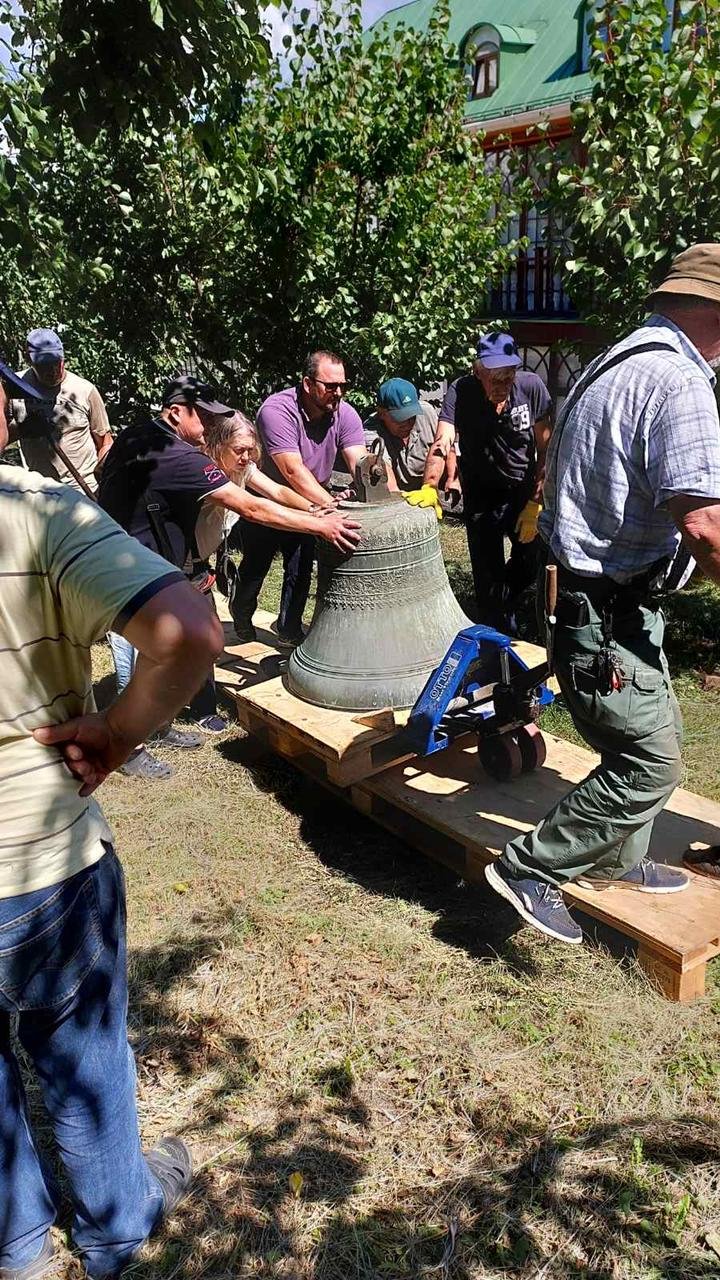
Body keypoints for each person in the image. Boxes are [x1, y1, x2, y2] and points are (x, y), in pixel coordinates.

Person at [0, 374, 225, 1280]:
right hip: (38, 856)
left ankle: (15, 1242)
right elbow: (186, 631)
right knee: (82, 1055)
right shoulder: (35, 509)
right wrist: (119, 733)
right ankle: (115, 1231)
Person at [484, 243, 720, 945]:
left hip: (591, 601)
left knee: (661, 733)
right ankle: (529, 867)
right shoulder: (679, 384)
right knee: (650, 761)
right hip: (602, 614)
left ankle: (617, 859)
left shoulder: (613, 362)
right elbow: (706, 527)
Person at [99, 374, 360, 775]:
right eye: (202, 417)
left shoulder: (141, 435)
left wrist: (316, 510)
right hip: (129, 565)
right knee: (134, 655)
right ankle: (125, 749)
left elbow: (270, 491)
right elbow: (252, 508)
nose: (209, 427)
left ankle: (158, 724)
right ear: (175, 413)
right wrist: (321, 527)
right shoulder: (180, 456)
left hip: (143, 557)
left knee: (169, 650)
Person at [232, 350, 367, 646]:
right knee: (256, 566)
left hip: (312, 502)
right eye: (330, 386)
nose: (339, 392)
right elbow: (292, 472)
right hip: (267, 499)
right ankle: (241, 612)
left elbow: (361, 463)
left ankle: (289, 631)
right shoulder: (276, 410)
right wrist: (331, 508)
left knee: (300, 569)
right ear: (307, 384)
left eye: (343, 385)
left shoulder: (344, 413)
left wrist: (382, 497)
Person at [421, 333, 552, 630]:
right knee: (486, 577)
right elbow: (443, 439)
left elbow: (547, 449)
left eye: (507, 377)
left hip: (523, 489)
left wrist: (536, 503)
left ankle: (504, 603)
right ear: (477, 371)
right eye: (494, 378)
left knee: (530, 563)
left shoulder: (531, 387)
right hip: (481, 494)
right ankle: (496, 641)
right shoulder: (462, 391)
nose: (501, 386)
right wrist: (430, 485)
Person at [9, 327, 113, 496]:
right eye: (43, 365)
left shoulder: (84, 390)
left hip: (83, 491)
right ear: (29, 360)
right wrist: (22, 429)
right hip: (38, 493)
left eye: (55, 363)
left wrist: (105, 480)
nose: (51, 371)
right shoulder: (15, 387)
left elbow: (105, 442)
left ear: (63, 358)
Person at [362, 377, 460, 511]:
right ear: (381, 413)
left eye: (411, 416)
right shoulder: (371, 431)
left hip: (432, 483)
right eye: (400, 418)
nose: (407, 423)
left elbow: (446, 445)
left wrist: (452, 478)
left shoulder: (427, 412)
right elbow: (385, 476)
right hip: (403, 492)